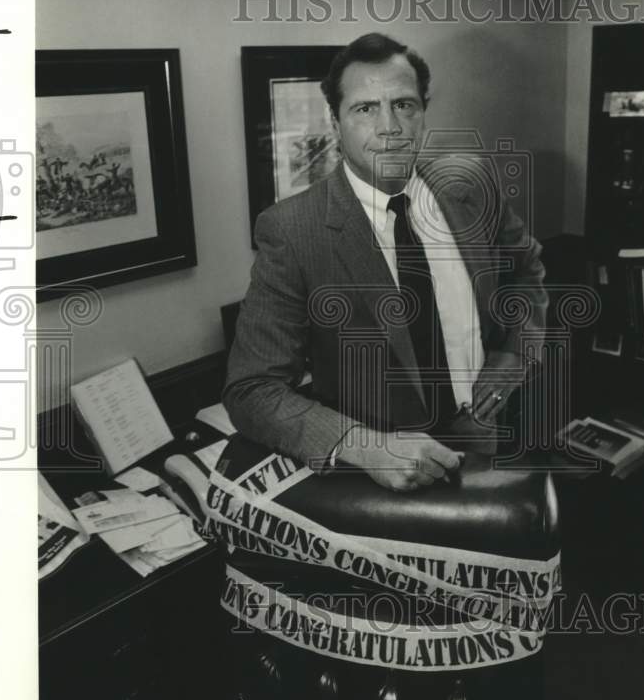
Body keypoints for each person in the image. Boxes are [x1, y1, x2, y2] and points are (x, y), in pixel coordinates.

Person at [223, 33, 547, 493]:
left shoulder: (472, 185)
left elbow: (527, 271)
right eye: (365, 109)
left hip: (480, 435)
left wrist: (512, 355)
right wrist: (364, 445)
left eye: (404, 105)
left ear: (423, 112)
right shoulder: (292, 231)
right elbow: (250, 390)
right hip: (375, 470)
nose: (389, 126)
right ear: (335, 123)